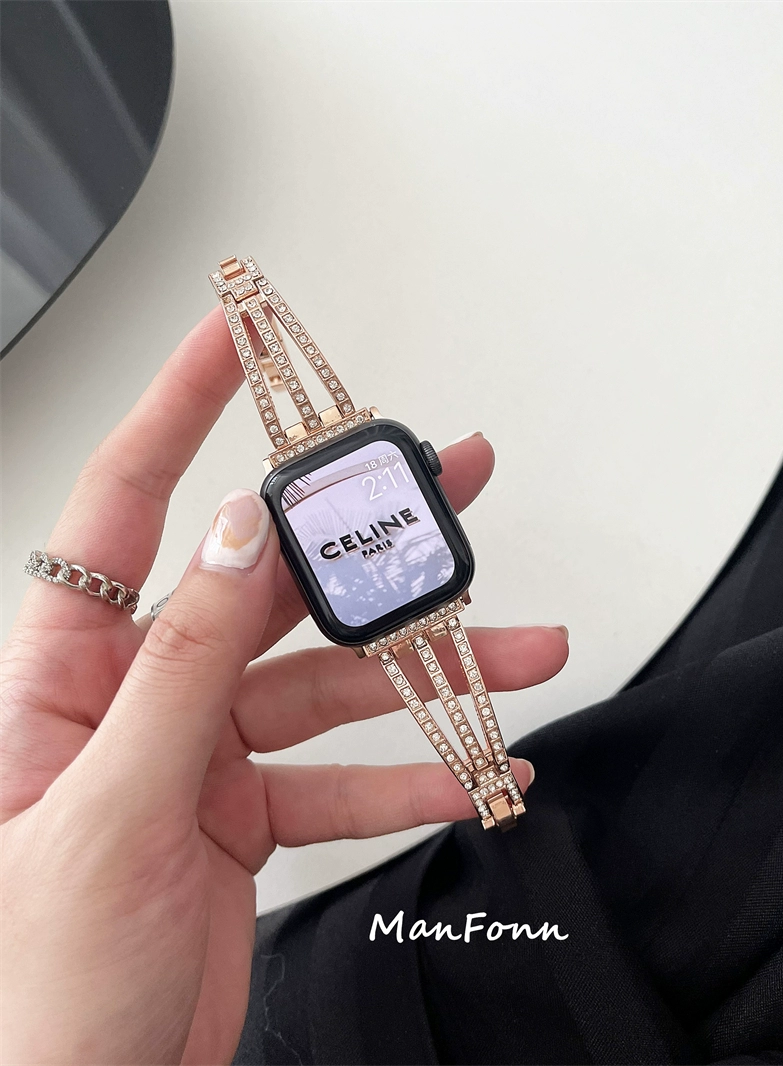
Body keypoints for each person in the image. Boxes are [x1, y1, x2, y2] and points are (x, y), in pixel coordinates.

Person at [0, 307, 570, 1065]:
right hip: (400, 595)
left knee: (446, 686)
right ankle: (491, 787)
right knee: (445, 684)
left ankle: (491, 788)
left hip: (398, 599)